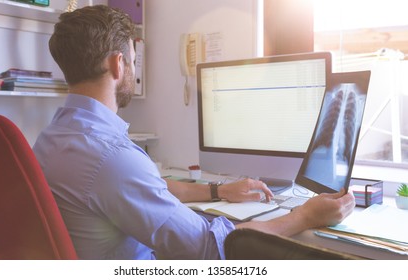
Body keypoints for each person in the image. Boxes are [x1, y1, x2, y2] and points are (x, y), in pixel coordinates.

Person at [33, 5, 355, 260]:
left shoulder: (53, 138)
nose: (133, 68)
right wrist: (304, 217)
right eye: (134, 60)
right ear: (119, 65)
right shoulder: (111, 157)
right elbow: (214, 251)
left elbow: (145, 186)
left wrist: (218, 191)